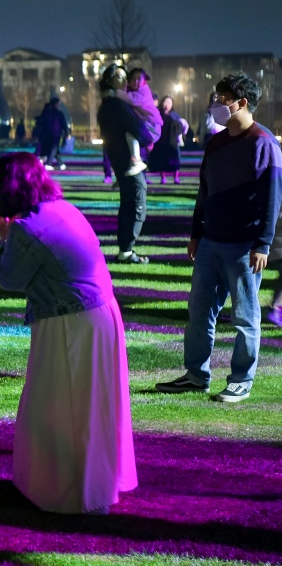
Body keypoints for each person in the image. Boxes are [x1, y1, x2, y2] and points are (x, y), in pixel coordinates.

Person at [0, 151, 136, 514]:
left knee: (63, 407)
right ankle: (97, 482)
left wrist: (4, 237)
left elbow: (9, 278)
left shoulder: (26, 228)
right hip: (99, 312)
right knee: (94, 405)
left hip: (70, 323)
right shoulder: (64, 209)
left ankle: (73, 492)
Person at [156, 73, 282, 403]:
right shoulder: (215, 143)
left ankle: (241, 379)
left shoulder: (264, 143)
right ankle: (196, 375)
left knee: (245, 318)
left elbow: (272, 199)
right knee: (199, 311)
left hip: (244, 247)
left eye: (222, 99)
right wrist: (197, 233)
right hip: (211, 242)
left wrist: (263, 243)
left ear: (242, 103)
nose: (216, 104)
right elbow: (205, 191)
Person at [97, 64, 148, 264]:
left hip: (121, 161)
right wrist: (146, 135)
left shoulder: (108, 105)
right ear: (110, 81)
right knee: (135, 203)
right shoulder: (116, 106)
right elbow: (137, 130)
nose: (126, 81)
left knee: (129, 203)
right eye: (120, 76)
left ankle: (125, 250)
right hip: (127, 162)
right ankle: (126, 251)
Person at [114, 68, 163, 177]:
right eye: (132, 79)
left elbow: (130, 99)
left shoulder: (144, 92)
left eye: (138, 79)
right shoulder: (136, 91)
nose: (135, 81)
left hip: (152, 126)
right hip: (148, 125)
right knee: (129, 135)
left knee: (131, 133)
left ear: (144, 80)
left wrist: (116, 91)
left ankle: (136, 161)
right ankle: (126, 174)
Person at [148, 96, 187, 184]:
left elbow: (180, 127)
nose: (167, 105)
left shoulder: (174, 115)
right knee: (162, 160)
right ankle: (163, 178)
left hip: (172, 141)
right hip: (161, 140)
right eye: (165, 102)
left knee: (175, 160)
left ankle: (176, 177)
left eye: (169, 102)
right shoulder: (158, 113)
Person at [34, 97, 66, 171]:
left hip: (48, 134)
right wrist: (66, 132)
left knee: (53, 149)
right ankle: (48, 163)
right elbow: (63, 123)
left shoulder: (47, 113)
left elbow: (41, 122)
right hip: (55, 134)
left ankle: (60, 164)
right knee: (54, 149)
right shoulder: (57, 113)